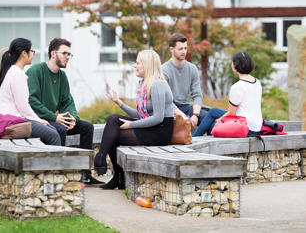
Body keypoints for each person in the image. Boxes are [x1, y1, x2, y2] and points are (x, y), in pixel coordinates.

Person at [94, 49, 175, 190]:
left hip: (160, 132)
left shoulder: (157, 85)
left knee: (114, 133)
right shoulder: (144, 84)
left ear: (147, 65)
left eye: (138, 63)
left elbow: (158, 117)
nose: (134, 66)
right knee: (113, 121)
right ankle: (110, 169)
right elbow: (140, 115)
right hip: (152, 127)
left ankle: (112, 172)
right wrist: (119, 103)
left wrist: (131, 124)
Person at [26, 38, 102, 185]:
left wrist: (72, 117)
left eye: (69, 54)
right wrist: (54, 116)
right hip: (39, 121)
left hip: (54, 118)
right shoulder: (36, 71)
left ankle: (85, 174)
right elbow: (32, 101)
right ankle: (61, 174)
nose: (68, 57)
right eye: (64, 53)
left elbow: (67, 101)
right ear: (53, 53)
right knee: (60, 129)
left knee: (87, 127)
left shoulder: (62, 76)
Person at [0, 38, 61, 146]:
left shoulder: (11, 71)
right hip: (12, 123)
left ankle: (46, 161)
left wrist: (39, 121)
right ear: (24, 53)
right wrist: (39, 120)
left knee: (53, 129)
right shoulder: (17, 74)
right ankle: (55, 163)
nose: (33, 54)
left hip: (6, 120)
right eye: (32, 51)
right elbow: (23, 106)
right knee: (53, 135)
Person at [192, 52, 262, 137]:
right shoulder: (257, 82)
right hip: (256, 126)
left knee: (212, 125)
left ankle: (194, 139)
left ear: (235, 66)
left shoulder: (237, 87)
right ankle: (194, 138)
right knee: (213, 111)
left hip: (245, 127)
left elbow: (231, 113)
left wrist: (218, 120)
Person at [162, 33, 206, 131]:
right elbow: (166, 100)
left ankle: (195, 139)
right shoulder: (163, 70)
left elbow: (197, 95)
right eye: (180, 49)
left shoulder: (192, 68)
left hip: (187, 107)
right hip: (170, 108)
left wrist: (195, 115)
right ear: (171, 49)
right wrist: (183, 116)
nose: (184, 51)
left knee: (208, 118)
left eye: (185, 48)